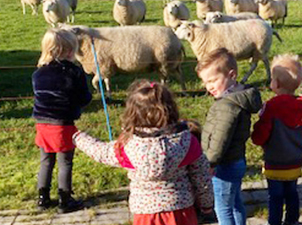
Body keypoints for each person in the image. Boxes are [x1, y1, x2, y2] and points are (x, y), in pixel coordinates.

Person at [74, 80, 214, 224]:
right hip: (181, 210)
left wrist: (78, 137)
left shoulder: (128, 146)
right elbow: (201, 176)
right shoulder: (187, 141)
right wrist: (206, 205)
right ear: (171, 108)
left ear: (133, 113)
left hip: (145, 214)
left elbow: (101, 152)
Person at [197, 48, 263, 225]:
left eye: (213, 80)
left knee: (222, 207)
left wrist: (209, 163)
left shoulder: (227, 106)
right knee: (234, 203)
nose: (208, 86)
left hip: (223, 165)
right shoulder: (237, 98)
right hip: (236, 160)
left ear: (232, 75)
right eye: (205, 82)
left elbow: (220, 140)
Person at [32, 28, 91, 213]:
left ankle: (43, 198)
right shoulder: (73, 72)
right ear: (68, 50)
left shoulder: (38, 73)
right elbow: (84, 97)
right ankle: (65, 200)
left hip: (42, 123)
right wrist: (81, 104)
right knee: (65, 161)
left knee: (46, 160)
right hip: (62, 124)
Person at [251, 54, 302, 225]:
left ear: (275, 84)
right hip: (295, 161)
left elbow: (260, 136)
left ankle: (275, 222)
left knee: (275, 196)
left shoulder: (271, 107)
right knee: (292, 192)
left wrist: (256, 136)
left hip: (275, 163)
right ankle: (292, 220)